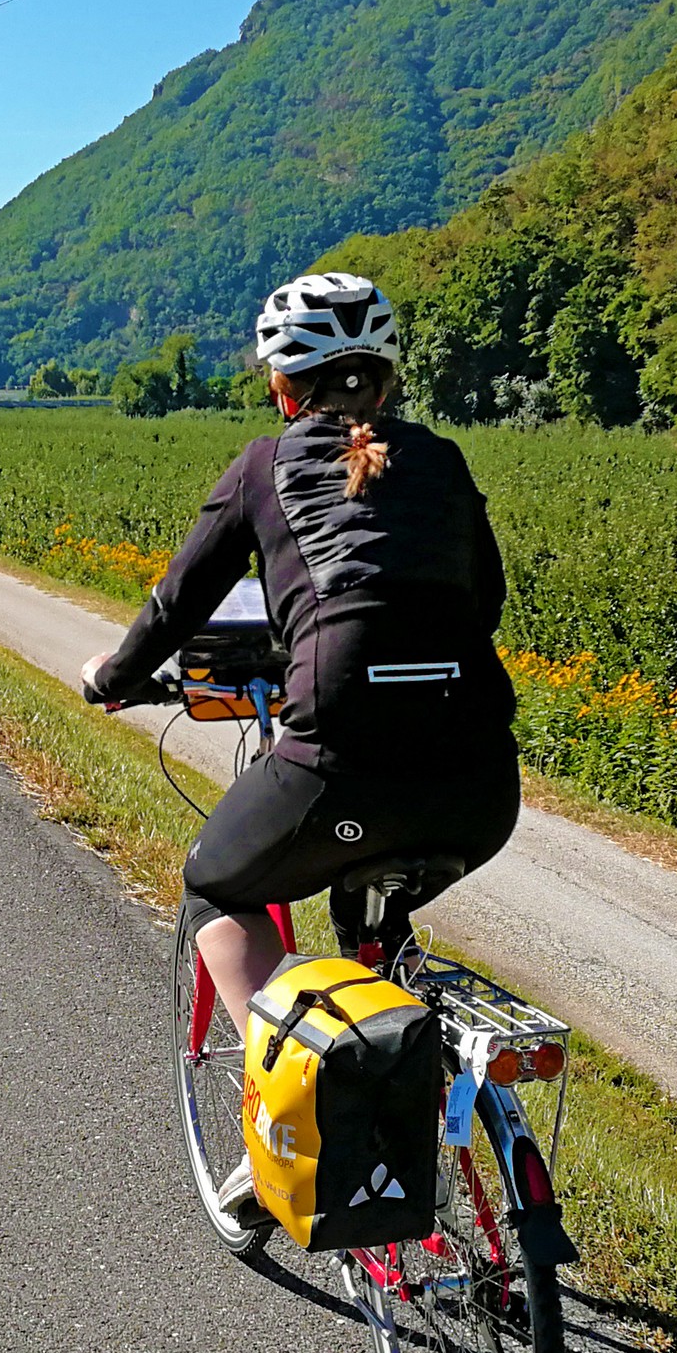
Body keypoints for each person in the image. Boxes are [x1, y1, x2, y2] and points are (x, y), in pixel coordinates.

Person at [80, 271, 520, 1135]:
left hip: (341, 764)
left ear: (282, 386)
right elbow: (485, 597)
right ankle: (406, 1103)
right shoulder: (442, 458)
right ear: (388, 378)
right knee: (384, 902)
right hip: (479, 786)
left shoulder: (265, 463)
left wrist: (113, 678)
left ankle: (297, 1097)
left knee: (213, 884)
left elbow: (179, 604)